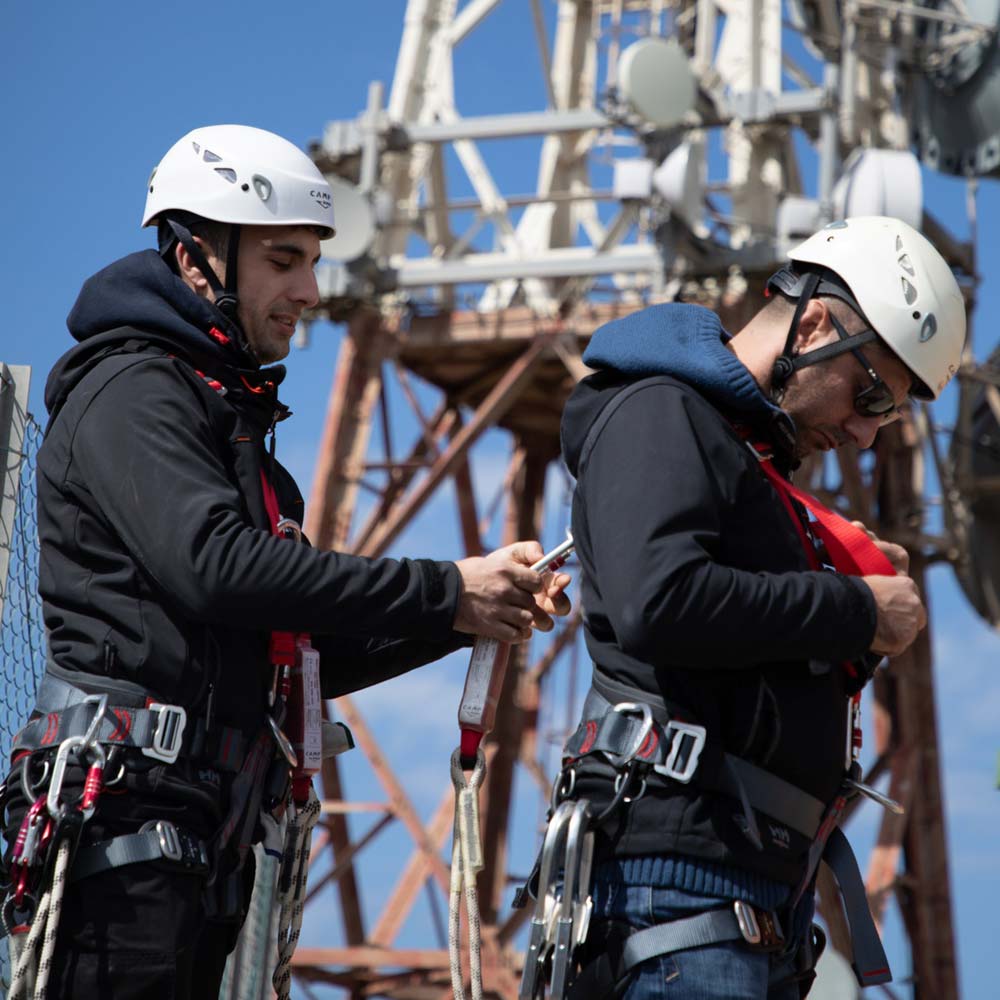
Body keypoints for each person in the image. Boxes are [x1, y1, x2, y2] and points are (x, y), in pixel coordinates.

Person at [0, 124, 570, 998]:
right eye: (283, 260)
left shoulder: (234, 431)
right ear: (196, 260)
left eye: (312, 261)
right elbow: (215, 568)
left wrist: (467, 613)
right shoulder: (133, 390)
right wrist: (444, 589)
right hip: (124, 834)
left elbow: (295, 656)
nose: (309, 290)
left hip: (200, 839)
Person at [548, 216, 964, 999]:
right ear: (813, 325)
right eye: (871, 393)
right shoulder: (660, 411)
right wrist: (852, 608)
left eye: (888, 414)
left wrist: (841, 587)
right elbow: (659, 599)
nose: (865, 433)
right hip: (678, 893)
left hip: (749, 899)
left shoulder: (737, 455)